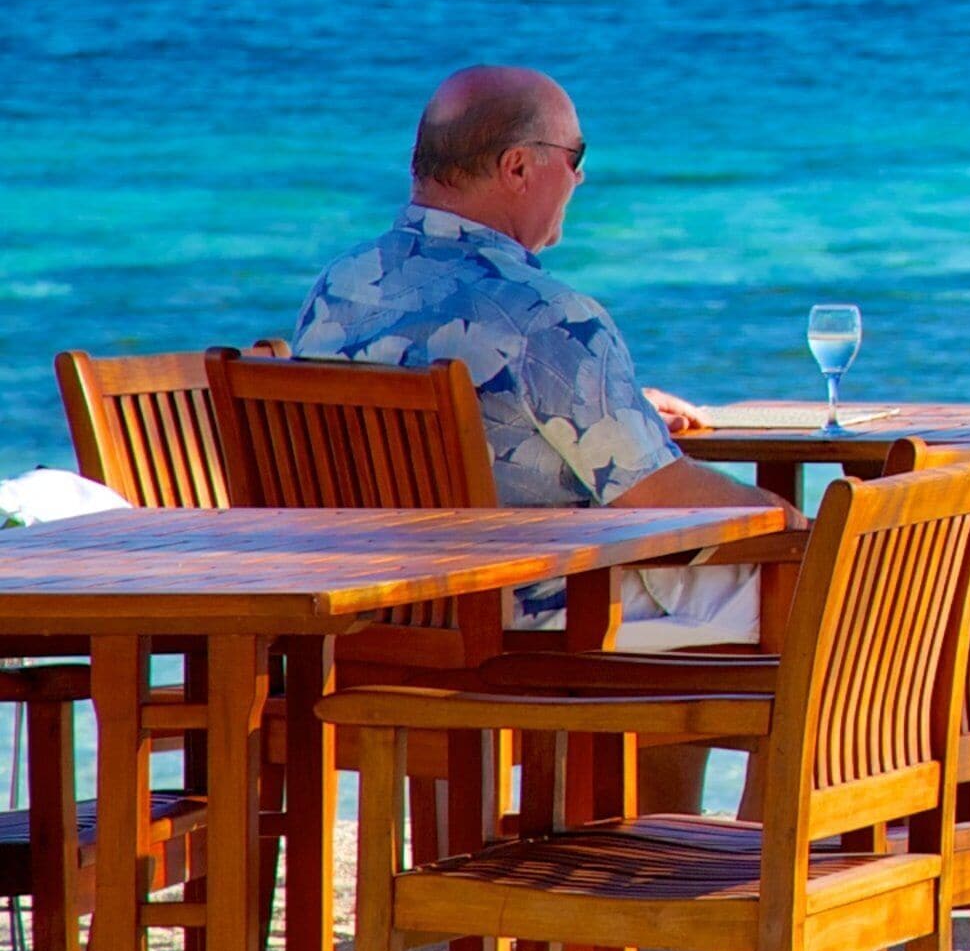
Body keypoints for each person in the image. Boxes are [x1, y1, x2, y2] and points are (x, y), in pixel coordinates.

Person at [294, 65, 795, 809]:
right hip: (529, 623)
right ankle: (764, 866)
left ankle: (644, 844)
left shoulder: (338, 291)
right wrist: (800, 527)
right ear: (519, 166)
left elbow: (468, 405)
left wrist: (618, 409)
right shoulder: (545, 315)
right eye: (577, 156)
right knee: (829, 581)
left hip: (375, 620)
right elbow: (659, 497)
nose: (583, 178)